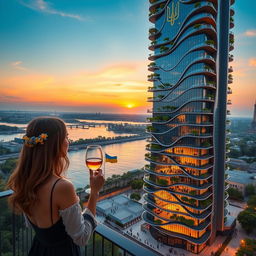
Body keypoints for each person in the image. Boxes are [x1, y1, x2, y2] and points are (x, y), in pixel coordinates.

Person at [7, 117, 105, 256]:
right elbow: (82, 237)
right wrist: (94, 192)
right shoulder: (62, 187)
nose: (68, 141)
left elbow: (32, 224)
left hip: (39, 249)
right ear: (55, 144)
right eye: (66, 137)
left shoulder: (24, 181)